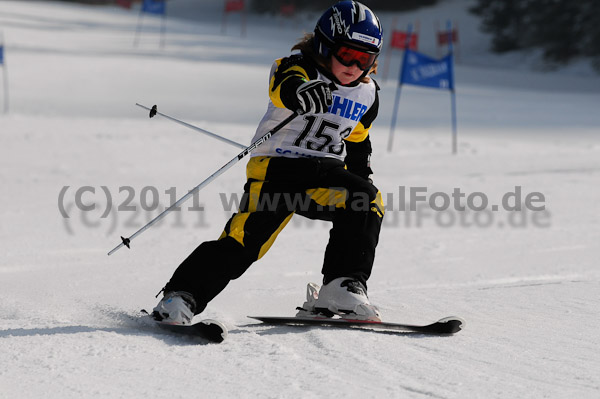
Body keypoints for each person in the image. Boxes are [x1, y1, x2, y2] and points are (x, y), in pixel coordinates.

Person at [152, 0, 385, 325]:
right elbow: (283, 86)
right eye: (347, 54)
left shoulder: (367, 94)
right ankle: (180, 296)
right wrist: (300, 92)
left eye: (365, 59)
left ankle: (342, 285)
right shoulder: (299, 67)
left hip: (324, 175)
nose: (354, 67)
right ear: (325, 43)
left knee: (366, 199)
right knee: (245, 243)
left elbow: (359, 142)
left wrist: (363, 180)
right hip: (279, 170)